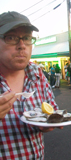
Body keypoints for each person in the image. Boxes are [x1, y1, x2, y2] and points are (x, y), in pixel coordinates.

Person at [0, 11, 62, 159]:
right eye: (11, 38)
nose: (22, 45)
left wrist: (48, 123)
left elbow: (51, 111)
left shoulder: (37, 74)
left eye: (27, 38)